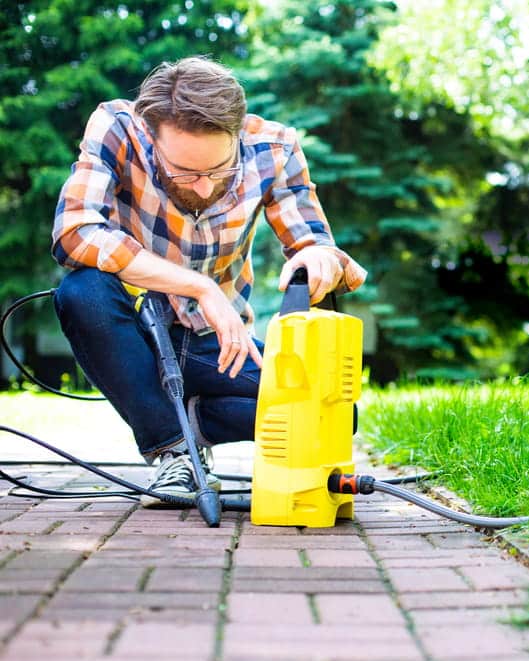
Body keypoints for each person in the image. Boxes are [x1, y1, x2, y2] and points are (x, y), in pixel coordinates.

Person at [50, 56, 366, 506]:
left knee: (335, 417)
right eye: (184, 173)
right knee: (82, 292)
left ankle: (192, 421)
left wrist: (317, 259)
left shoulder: (275, 148)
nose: (202, 188)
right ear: (150, 133)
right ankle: (173, 451)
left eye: (218, 171)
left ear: (238, 134)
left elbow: (317, 244)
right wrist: (199, 287)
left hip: (217, 343)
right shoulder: (117, 127)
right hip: (137, 328)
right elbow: (74, 232)